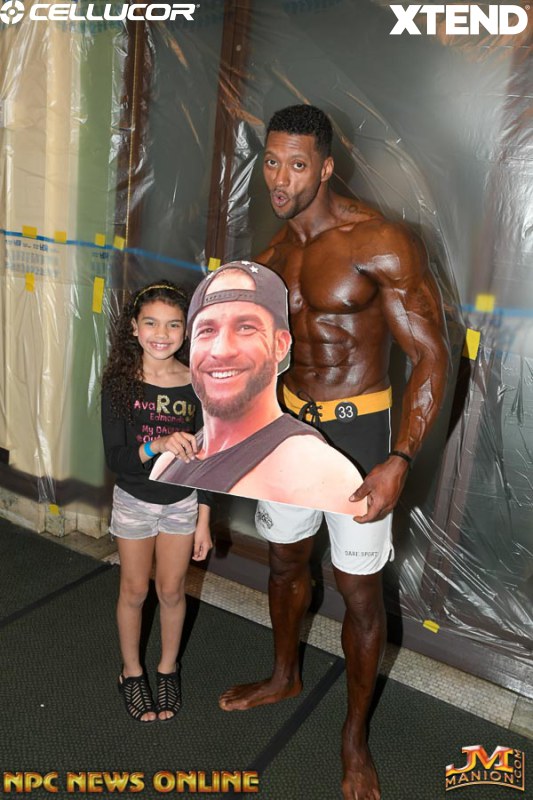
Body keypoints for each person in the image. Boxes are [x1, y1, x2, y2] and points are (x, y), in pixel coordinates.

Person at [218, 105, 450, 800]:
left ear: (325, 167)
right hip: (290, 432)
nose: (280, 178)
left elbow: (430, 355)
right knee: (285, 561)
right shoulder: (271, 257)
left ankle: (354, 740)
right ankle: (283, 674)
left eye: (297, 165)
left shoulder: (380, 241)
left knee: (358, 590)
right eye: (271, 162)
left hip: (360, 436)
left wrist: (399, 458)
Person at [150, 260, 368, 518]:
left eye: (245, 327)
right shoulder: (168, 462)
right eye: (206, 330)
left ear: (280, 344)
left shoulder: (319, 470)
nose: (221, 350)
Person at [101, 281, 212, 723]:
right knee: (134, 590)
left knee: (171, 590)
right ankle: (131, 671)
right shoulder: (120, 384)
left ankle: (168, 668)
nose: (161, 334)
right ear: (134, 327)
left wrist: (204, 519)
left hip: (182, 503)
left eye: (173, 324)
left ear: (187, 330)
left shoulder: (198, 383)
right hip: (134, 500)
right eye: (151, 323)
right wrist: (158, 444)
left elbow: (210, 459)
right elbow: (117, 459)